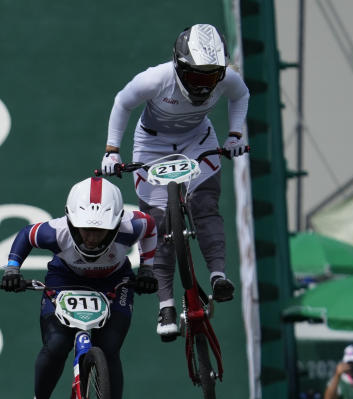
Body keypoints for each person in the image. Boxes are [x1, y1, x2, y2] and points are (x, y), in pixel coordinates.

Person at [99, 23, 250, 341]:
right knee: (156, 225)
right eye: (196, 76)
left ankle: (218, 276)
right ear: (179, 67)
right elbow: (122, 103)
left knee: (205, 205)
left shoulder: (228, 80)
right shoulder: (156, 79)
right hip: (152, 145)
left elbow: (241, 95)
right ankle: (166, 305)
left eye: (211, 77)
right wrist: (112, 151)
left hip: (198, 140)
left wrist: (235, 134)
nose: (203, 86)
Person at [0, 177, 157, 399]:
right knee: (57, 344)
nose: (92, 238)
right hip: (64, 280)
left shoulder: (132, 226)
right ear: (72, 221)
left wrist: (147, 268)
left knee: (109, 350)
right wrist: (12, 269)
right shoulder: (57, 231)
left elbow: (152, 226)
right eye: (86, 230)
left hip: (115, 281)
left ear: (116, 224)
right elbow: (25, 235)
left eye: (100, 231)